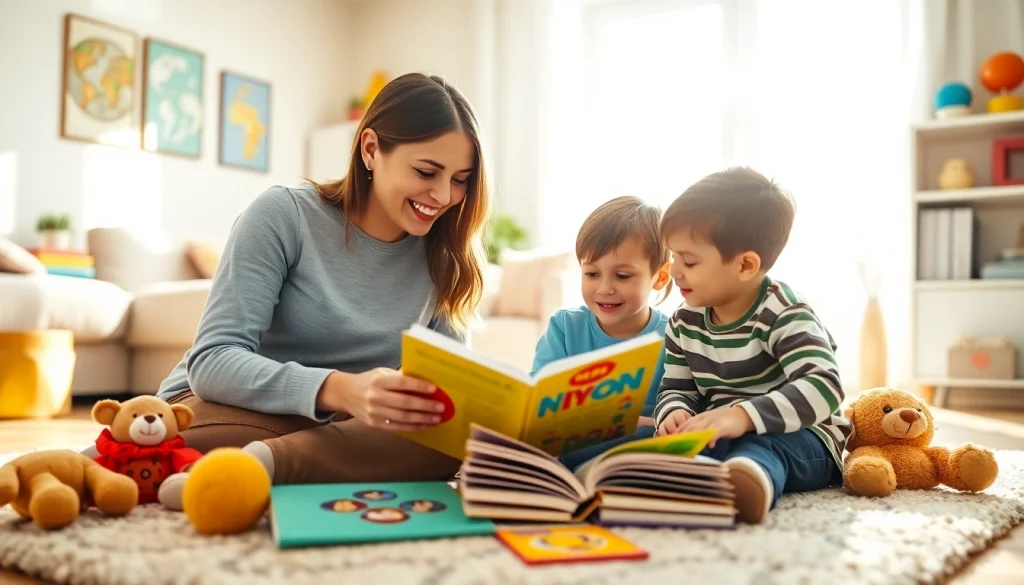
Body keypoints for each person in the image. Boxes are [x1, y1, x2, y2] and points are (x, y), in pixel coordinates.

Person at [149, 73, 492, 507]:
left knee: (442, 440)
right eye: (427, 171)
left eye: (461, 179)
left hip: (349, 425)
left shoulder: (447, 254)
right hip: (229, 406)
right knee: (159, 442)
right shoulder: (284, 215)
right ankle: (259, 460)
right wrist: (339, 389)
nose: (444, 195)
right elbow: (213, 362)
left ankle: (259, 466)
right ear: (371, 149)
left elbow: (444, 396)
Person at [654, 167, 852, 524]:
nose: (675, 271)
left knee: (760, 449)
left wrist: (742, 416)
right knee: (645, 438)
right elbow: (676, 387)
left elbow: (825, 386)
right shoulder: (684, 321)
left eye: (689, 261)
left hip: (802, 437)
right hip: (723, 432)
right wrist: (674, 412)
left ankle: (747, 483)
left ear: (745, 265)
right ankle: (699, 476)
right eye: (672, 256)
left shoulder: (784, 312)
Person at [530, 195, 672, 471]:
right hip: (566, 465)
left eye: (622, 276)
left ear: (660, 277)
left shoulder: (674, 338)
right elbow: (538, 404)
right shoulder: (564, 327)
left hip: (642, 464)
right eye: (592, 274)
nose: (604, 288)